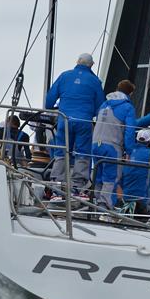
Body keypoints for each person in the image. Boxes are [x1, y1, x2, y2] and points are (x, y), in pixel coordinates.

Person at [45, 53, 105, 195]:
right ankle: (77, 187)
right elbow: (100, 106)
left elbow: (49, 99)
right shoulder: (95, 81)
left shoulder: (64, 76)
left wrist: (51, 108)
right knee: (82, 153)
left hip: (64, 120)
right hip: (84, 121)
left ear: (77, 61)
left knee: (61, 151)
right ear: (91, 65)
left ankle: (57, 185)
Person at [90, 83, 136, 210]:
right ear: (130, 93)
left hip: (95, 145)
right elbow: (130, 131)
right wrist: (129, 150)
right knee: (111, 176)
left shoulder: (104, 104)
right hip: (112, 146)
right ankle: (105, 205)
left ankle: (95, 201)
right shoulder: (127, 107)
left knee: (98, 175)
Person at [120, 129, 150, 214]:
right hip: (142, 200)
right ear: (149, 141)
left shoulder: (128, 152)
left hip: (125, 197)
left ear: (137, 139)